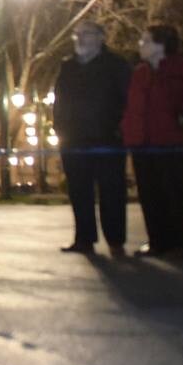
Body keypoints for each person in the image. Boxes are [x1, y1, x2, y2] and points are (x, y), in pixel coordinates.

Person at [122, 24, 183, 260]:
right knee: (150, 194)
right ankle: (158, 242)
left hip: (172, 143)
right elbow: (131, 107)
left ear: (161, 44)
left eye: (146, 41)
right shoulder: (140, 73)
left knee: (176, 194)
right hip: (142, 143)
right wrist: (128, 133)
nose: (141, 45)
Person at [53, 22, 132, 256]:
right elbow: (59, 102)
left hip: (107, 138)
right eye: (76, 34)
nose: (80, 39)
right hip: (74, 140)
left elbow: (127, 100)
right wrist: (60, 130)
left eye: (86, 34)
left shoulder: (116, 65)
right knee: (79, 190)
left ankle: (116, 241)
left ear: (100, 37)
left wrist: (119, 129)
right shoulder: (67, 67)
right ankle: (84, 238)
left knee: (112, 191)